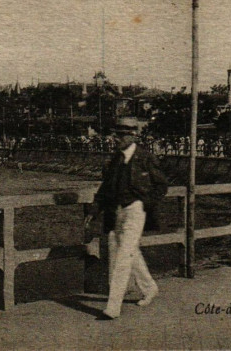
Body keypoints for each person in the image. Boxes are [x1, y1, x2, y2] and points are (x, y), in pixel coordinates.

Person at [84, 118, 169, 320]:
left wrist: (144, 203)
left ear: (133, 136)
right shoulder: (116, 160)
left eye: (122, 135)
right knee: (131, 252)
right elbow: (105, 188)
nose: (117, 138)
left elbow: (162, 185)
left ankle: (113, 307)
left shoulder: (145, 158)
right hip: (117, 211)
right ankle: (149, 288)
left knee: (122, 256)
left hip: (135, 210)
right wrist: (94, 210)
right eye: (116, 134)